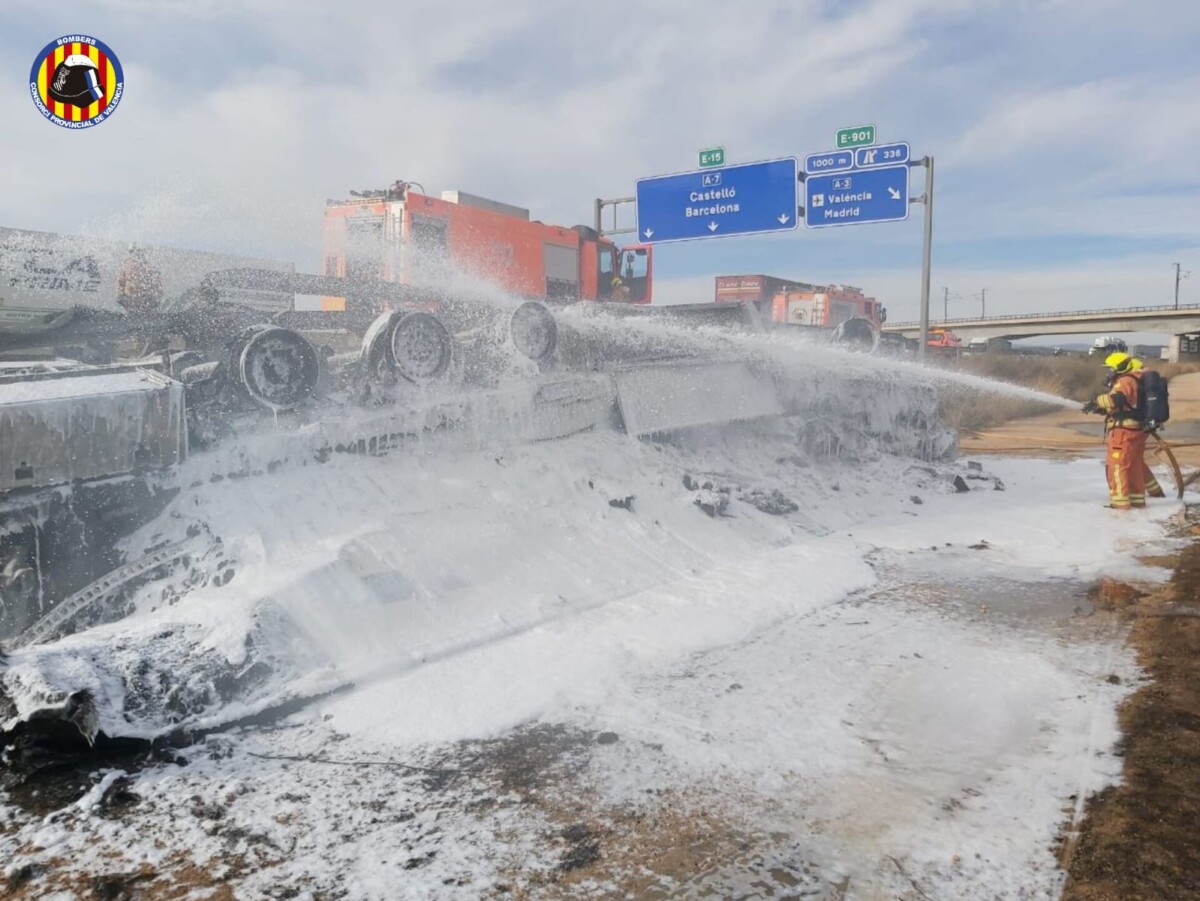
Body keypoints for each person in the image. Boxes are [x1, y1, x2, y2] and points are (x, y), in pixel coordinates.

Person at [1082, 351, 1148, 509]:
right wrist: (1099, 409)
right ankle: (1137, 502)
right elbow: (1125, 406)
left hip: (1123, 432)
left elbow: (1117, 399)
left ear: (1119, 367)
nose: (1109, 372)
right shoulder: (1136, 380)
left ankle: (1119, 504)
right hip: (1135, 430)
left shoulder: (1124, 381)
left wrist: (1096, 401)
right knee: (1134, 467)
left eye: (1111, 368)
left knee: (1117, 465)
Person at [115, 243, 163, 317]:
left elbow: (119, 296)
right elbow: (158, 296)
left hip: (138, 313)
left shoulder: (126, 267)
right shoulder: (152, 269)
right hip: (143, 314)